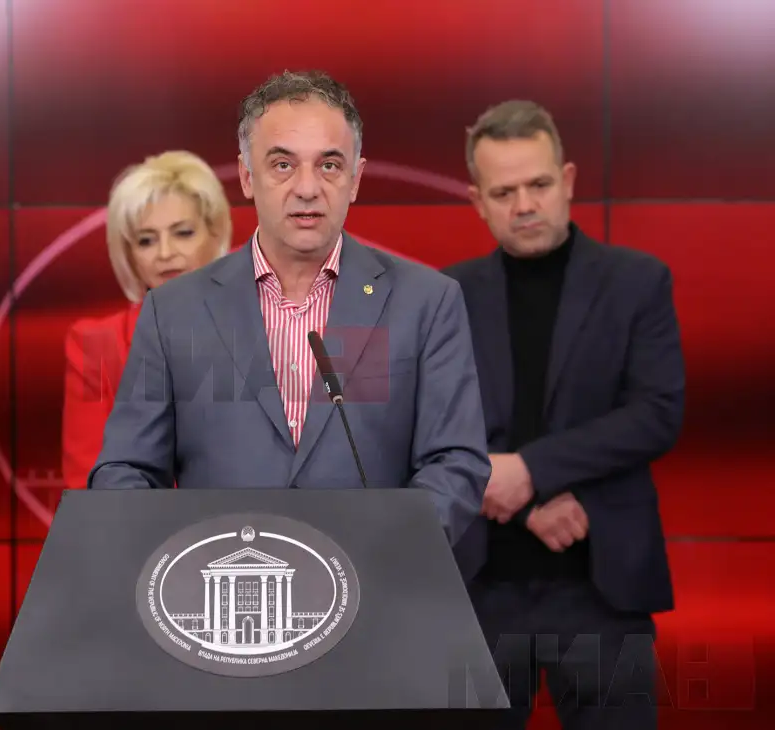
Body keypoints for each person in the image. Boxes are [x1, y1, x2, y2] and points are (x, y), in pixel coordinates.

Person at [87, 70, 490, 549]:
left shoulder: (426, 302)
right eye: (282, 165)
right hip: (222, 583)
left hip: (377, 581)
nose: (307, 188)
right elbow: (126, 470)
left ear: (356, 179)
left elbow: (455, 464)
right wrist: (178, 560)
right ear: (246, 176)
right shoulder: (173, 311)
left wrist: (384, 555)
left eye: (329, 165)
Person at [442, 100, 685, 729]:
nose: (524, 204)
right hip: (478, 587)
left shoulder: (638, 282)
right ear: (478, 201)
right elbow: (425, 429)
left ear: (568, 180)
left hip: (603, 585)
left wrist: (530, 470)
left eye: (539, 184)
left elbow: (656, 412)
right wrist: (524, 504)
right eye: (504, 192)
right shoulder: (444, 297)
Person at [61, 150, 232, 490]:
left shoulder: (262, 323)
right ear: (129, 255)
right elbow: (89, 481)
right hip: (137, 522)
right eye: (146, 240)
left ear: (215, 235)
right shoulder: (97, 344)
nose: (165, 253)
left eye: (183, 233)